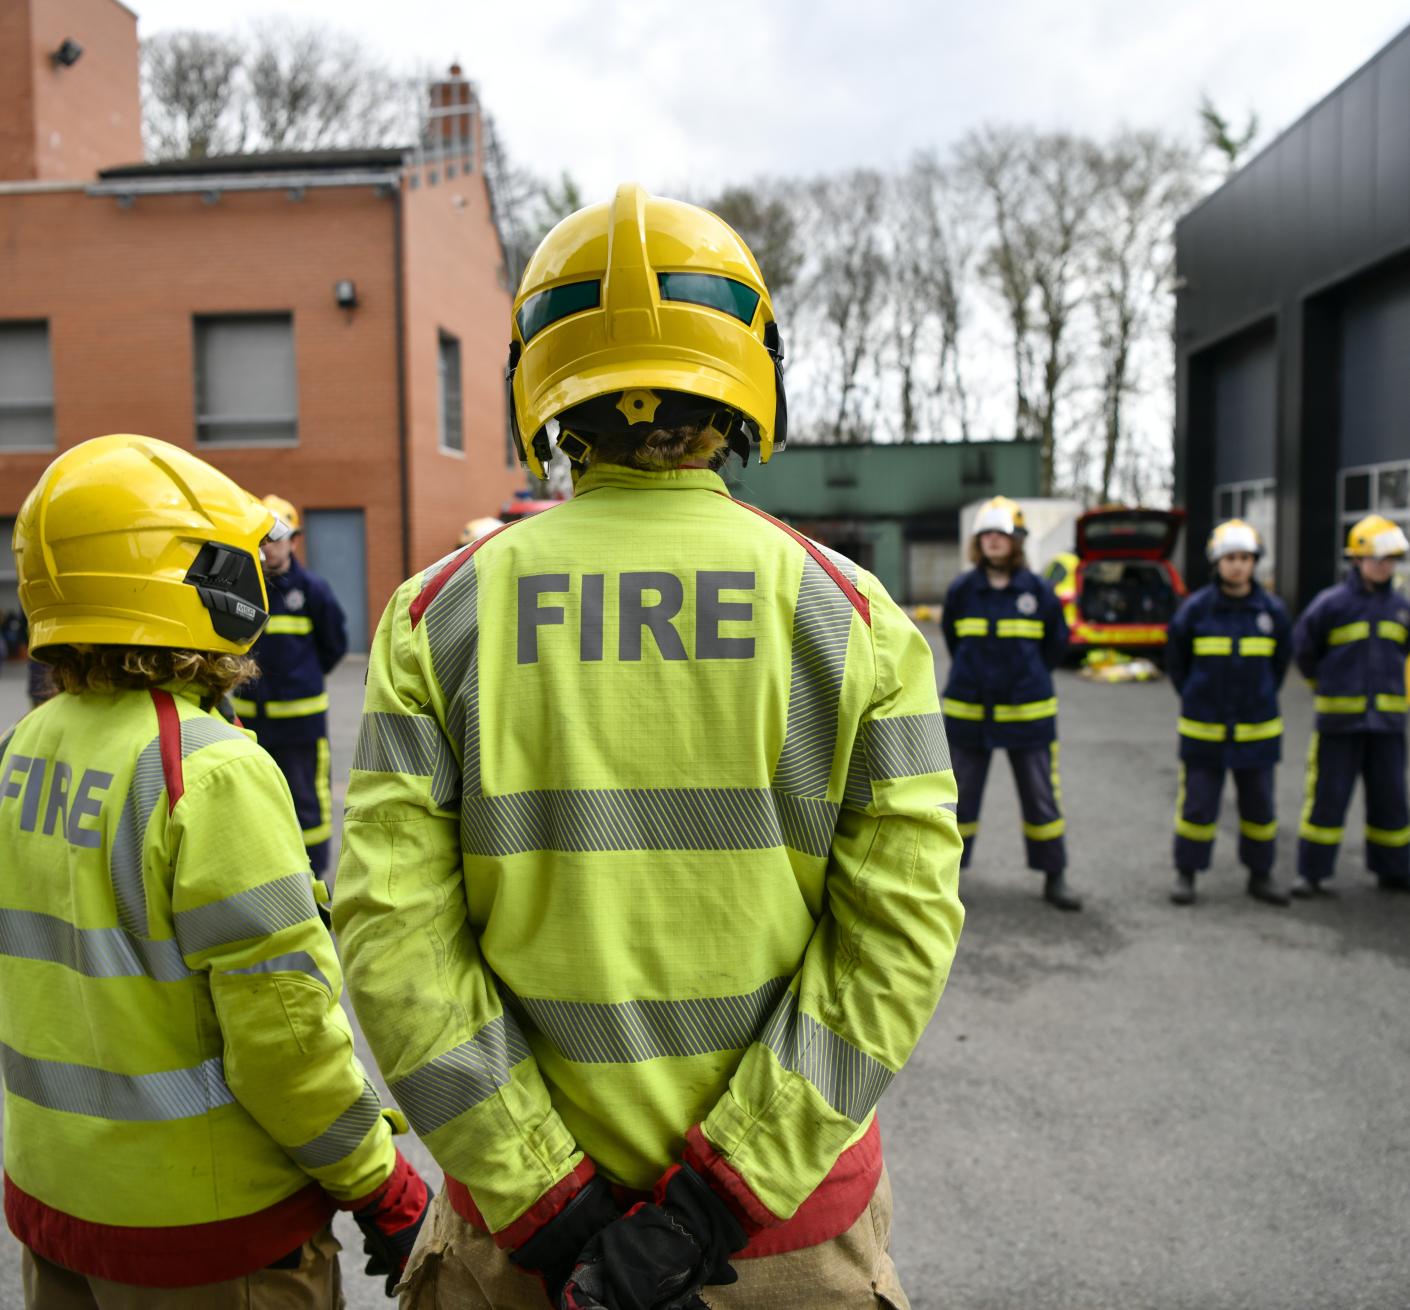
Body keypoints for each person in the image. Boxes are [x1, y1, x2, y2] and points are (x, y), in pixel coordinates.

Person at [334, 183, 964, 1310]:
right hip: (775, 1246)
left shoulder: (437, 614)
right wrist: (712, 1204)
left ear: (536, 378)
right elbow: (901, 932)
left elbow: (391, 939)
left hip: (524, 1252)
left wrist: (554, 1201)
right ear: (749, 372)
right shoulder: (855, 614)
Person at [0, 434, 429, 1307]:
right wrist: (380, 1184)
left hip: (57, 1207)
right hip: (209, 1237)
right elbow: (285, 1039)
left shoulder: (26, 746)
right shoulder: (209, 769)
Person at [940, 496, 1081, 910]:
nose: (994, 541)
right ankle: (946, 883)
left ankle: (1055, 876)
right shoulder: (962, 591)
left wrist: (1026, 679)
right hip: (970, 716)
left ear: (1017, 541)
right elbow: (953, 639)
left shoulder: (1039, 592)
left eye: (1002, 534)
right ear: (977, 543)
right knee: (959, 802)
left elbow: (1056, 646)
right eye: (986, 534)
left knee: (1042, 798)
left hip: (1028, 717)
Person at [1164, 520, 1292, 906]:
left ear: (1255, 563)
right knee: (1197, 808)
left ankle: (1260, 875)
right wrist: (1195, 697)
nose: (1237, 566)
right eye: (1230, 558)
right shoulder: (1196, 610)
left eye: (1244, 558)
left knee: (1259, 809)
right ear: (1216, 563)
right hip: (1204, 730)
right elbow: (1177, 662)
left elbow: (1281, 663)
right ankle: (1187, 874)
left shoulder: (1272, 611)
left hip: (1257, 732)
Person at [231, 494, 348, 891]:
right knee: (253, 803)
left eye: (278, 538)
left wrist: (302, 682)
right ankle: (265, 878)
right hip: (250, 727)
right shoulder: (244, 593)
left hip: (301, 727)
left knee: (307, 803)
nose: (270, 547)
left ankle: (313, 880)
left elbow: (334, 646)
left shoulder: (313, 590)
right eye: (263, 539)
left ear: (294, 541)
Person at [1291, 514, 1410, 895]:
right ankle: (1312, 873)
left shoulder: (1402, 607)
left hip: (1388, 725)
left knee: (1391, 800)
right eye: (1377, 558)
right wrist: (1324, 688)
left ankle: (1394, 869)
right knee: (1327, 798)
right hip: (1339, 725)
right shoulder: (1331, 604)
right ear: (1356, 560)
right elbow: (1304, 652)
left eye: (1390, 559)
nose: (1384, 566)